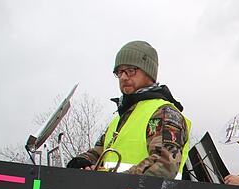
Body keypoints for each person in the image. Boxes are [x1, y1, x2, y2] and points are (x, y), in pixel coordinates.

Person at [67, 41, 190, 179]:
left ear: (148, 72)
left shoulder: (163, 113)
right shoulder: (121, 117)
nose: (123, 77)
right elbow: (101, 151)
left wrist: (114, 181)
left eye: (130, 70)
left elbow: (164, 164)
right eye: (119, 72)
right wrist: (82, 163)